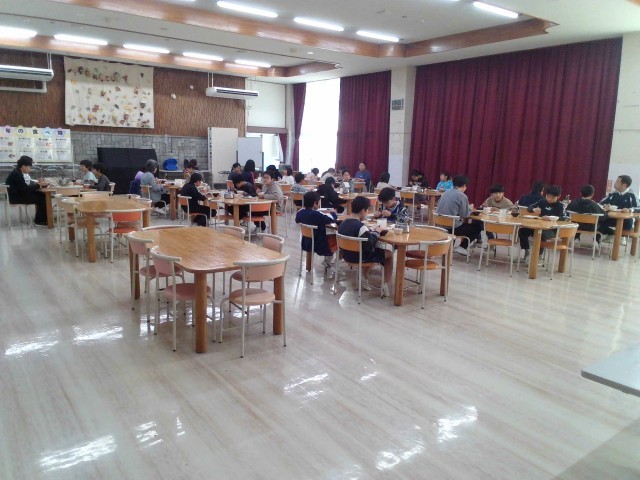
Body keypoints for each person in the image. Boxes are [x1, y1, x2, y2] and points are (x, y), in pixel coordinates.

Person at [337, 196, 392, 296]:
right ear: (363, 211)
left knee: (371, 250)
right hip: (360, 257)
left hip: (346, 255)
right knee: (389, 254)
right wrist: (376, 232)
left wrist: (369, 233)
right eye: (367, 211)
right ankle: (386, 284)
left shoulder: (343, 223)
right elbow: (370, 246)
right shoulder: (361, 227)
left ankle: (365, 278)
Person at [436, 174, 482, 256]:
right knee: (478, 227)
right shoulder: (462, 196)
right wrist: (470, 209)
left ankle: (449, 248)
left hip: (440, 225)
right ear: (464, 185)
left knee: (461, 224)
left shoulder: (445, 193)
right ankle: (462, 247)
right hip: (452, 227)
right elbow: (464, 215)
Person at [518, 184, 567, 260]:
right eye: (548, 196)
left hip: (552, 230)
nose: (549, 199)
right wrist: (533, 209)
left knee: (540, 234)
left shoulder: (560, 206)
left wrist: (550, 218)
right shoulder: (542, 201)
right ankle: (526, 250)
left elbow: (563, 218)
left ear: (558, 196)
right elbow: (529, 208)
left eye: (552, 198)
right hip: (538, 226)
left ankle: (538, 256)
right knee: (522, 231)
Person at [295, 191, 338, 272]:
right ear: (315, 203)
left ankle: (323, 263)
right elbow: (331, 220)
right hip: (319, 243)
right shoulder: (317, 215)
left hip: (306, 242)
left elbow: (297, 220)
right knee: (338, 240)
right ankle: (328, 261)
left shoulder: (300, 213)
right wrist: (333, 213)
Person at [5, 155, 48, 226]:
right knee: (42, 197)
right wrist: (38, 185)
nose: (30, 169)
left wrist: (38, 185)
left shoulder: (17, 172)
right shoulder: (17, 174)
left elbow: (24, 188)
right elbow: (25, 189)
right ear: (24, 166)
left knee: (41, 195)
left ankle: (41, 219)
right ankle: (40, 220)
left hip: (16, 195)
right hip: (16, 198)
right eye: (29, 167)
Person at [598, 175, 638, 242]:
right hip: (611, 218)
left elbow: (638, 207)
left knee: (627, 222)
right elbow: (600, 204)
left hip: (625, 221)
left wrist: (630, 210)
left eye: (617, 182)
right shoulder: (613, 193)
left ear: (624, 185)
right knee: (600, 220)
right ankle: (609, 234)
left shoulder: (632, 195)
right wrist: (605, 206)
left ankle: (621, 236)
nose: (615, 183)